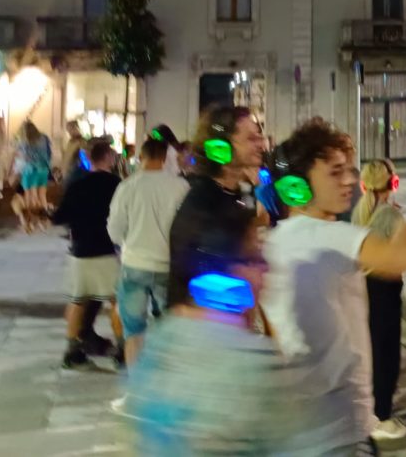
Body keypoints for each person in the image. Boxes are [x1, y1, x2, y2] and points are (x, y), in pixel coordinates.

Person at [262, 118, 406, 456]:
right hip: (339, 429)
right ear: (298, 186)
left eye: (349, 170)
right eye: (335, 173)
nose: (349, 179)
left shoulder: (270, 244)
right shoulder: (338, 237)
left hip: (294, 423)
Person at [125, 193, 304, 455]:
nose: (267, 270)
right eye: (254, 259)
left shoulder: (161, 338)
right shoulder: (252, 362)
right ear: (224, 271)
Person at [107, 133, 190, 377]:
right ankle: (167, 382)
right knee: (169, 329)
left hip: (134, 265)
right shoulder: (180, 186)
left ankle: (135, 386)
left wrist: (128, 241)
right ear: (166, 158)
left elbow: (114, 230)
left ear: (141, 157)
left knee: (134, 331)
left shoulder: (127, 186)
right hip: (168, 266)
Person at [168, 107, 266, 310]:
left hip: (228, 315)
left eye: (259, 136)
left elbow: (249, 234)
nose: (261, 145)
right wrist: (242, 268)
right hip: (198, 321)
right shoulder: (202, 196)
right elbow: (192, 262)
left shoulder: (243, 191)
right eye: (250, 139)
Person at [351, 158, 406, 443]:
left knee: (371, 351)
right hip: (386, 291)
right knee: (387, 357)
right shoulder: (391, 216)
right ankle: (381, 417)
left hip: (364, 289)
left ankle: (371, 411)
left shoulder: (359, 211)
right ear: (391, 183)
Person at [53, 139, 123, 369]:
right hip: (105, 249)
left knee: (78, 300)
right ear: (109, 158)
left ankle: (72, 352)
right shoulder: (115, 183)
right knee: (116, 301)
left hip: (80, 251)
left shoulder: (77, 184)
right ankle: (122, 350)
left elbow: (59, 217)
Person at [17, 120, 53, 223]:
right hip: (43, 169)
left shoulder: (23, 141)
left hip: (30, 170)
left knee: (29, 195)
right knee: (42, 195)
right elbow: (49, 154)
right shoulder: (44, 138)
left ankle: (30, 219)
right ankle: (45, 218)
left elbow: (23, 157)